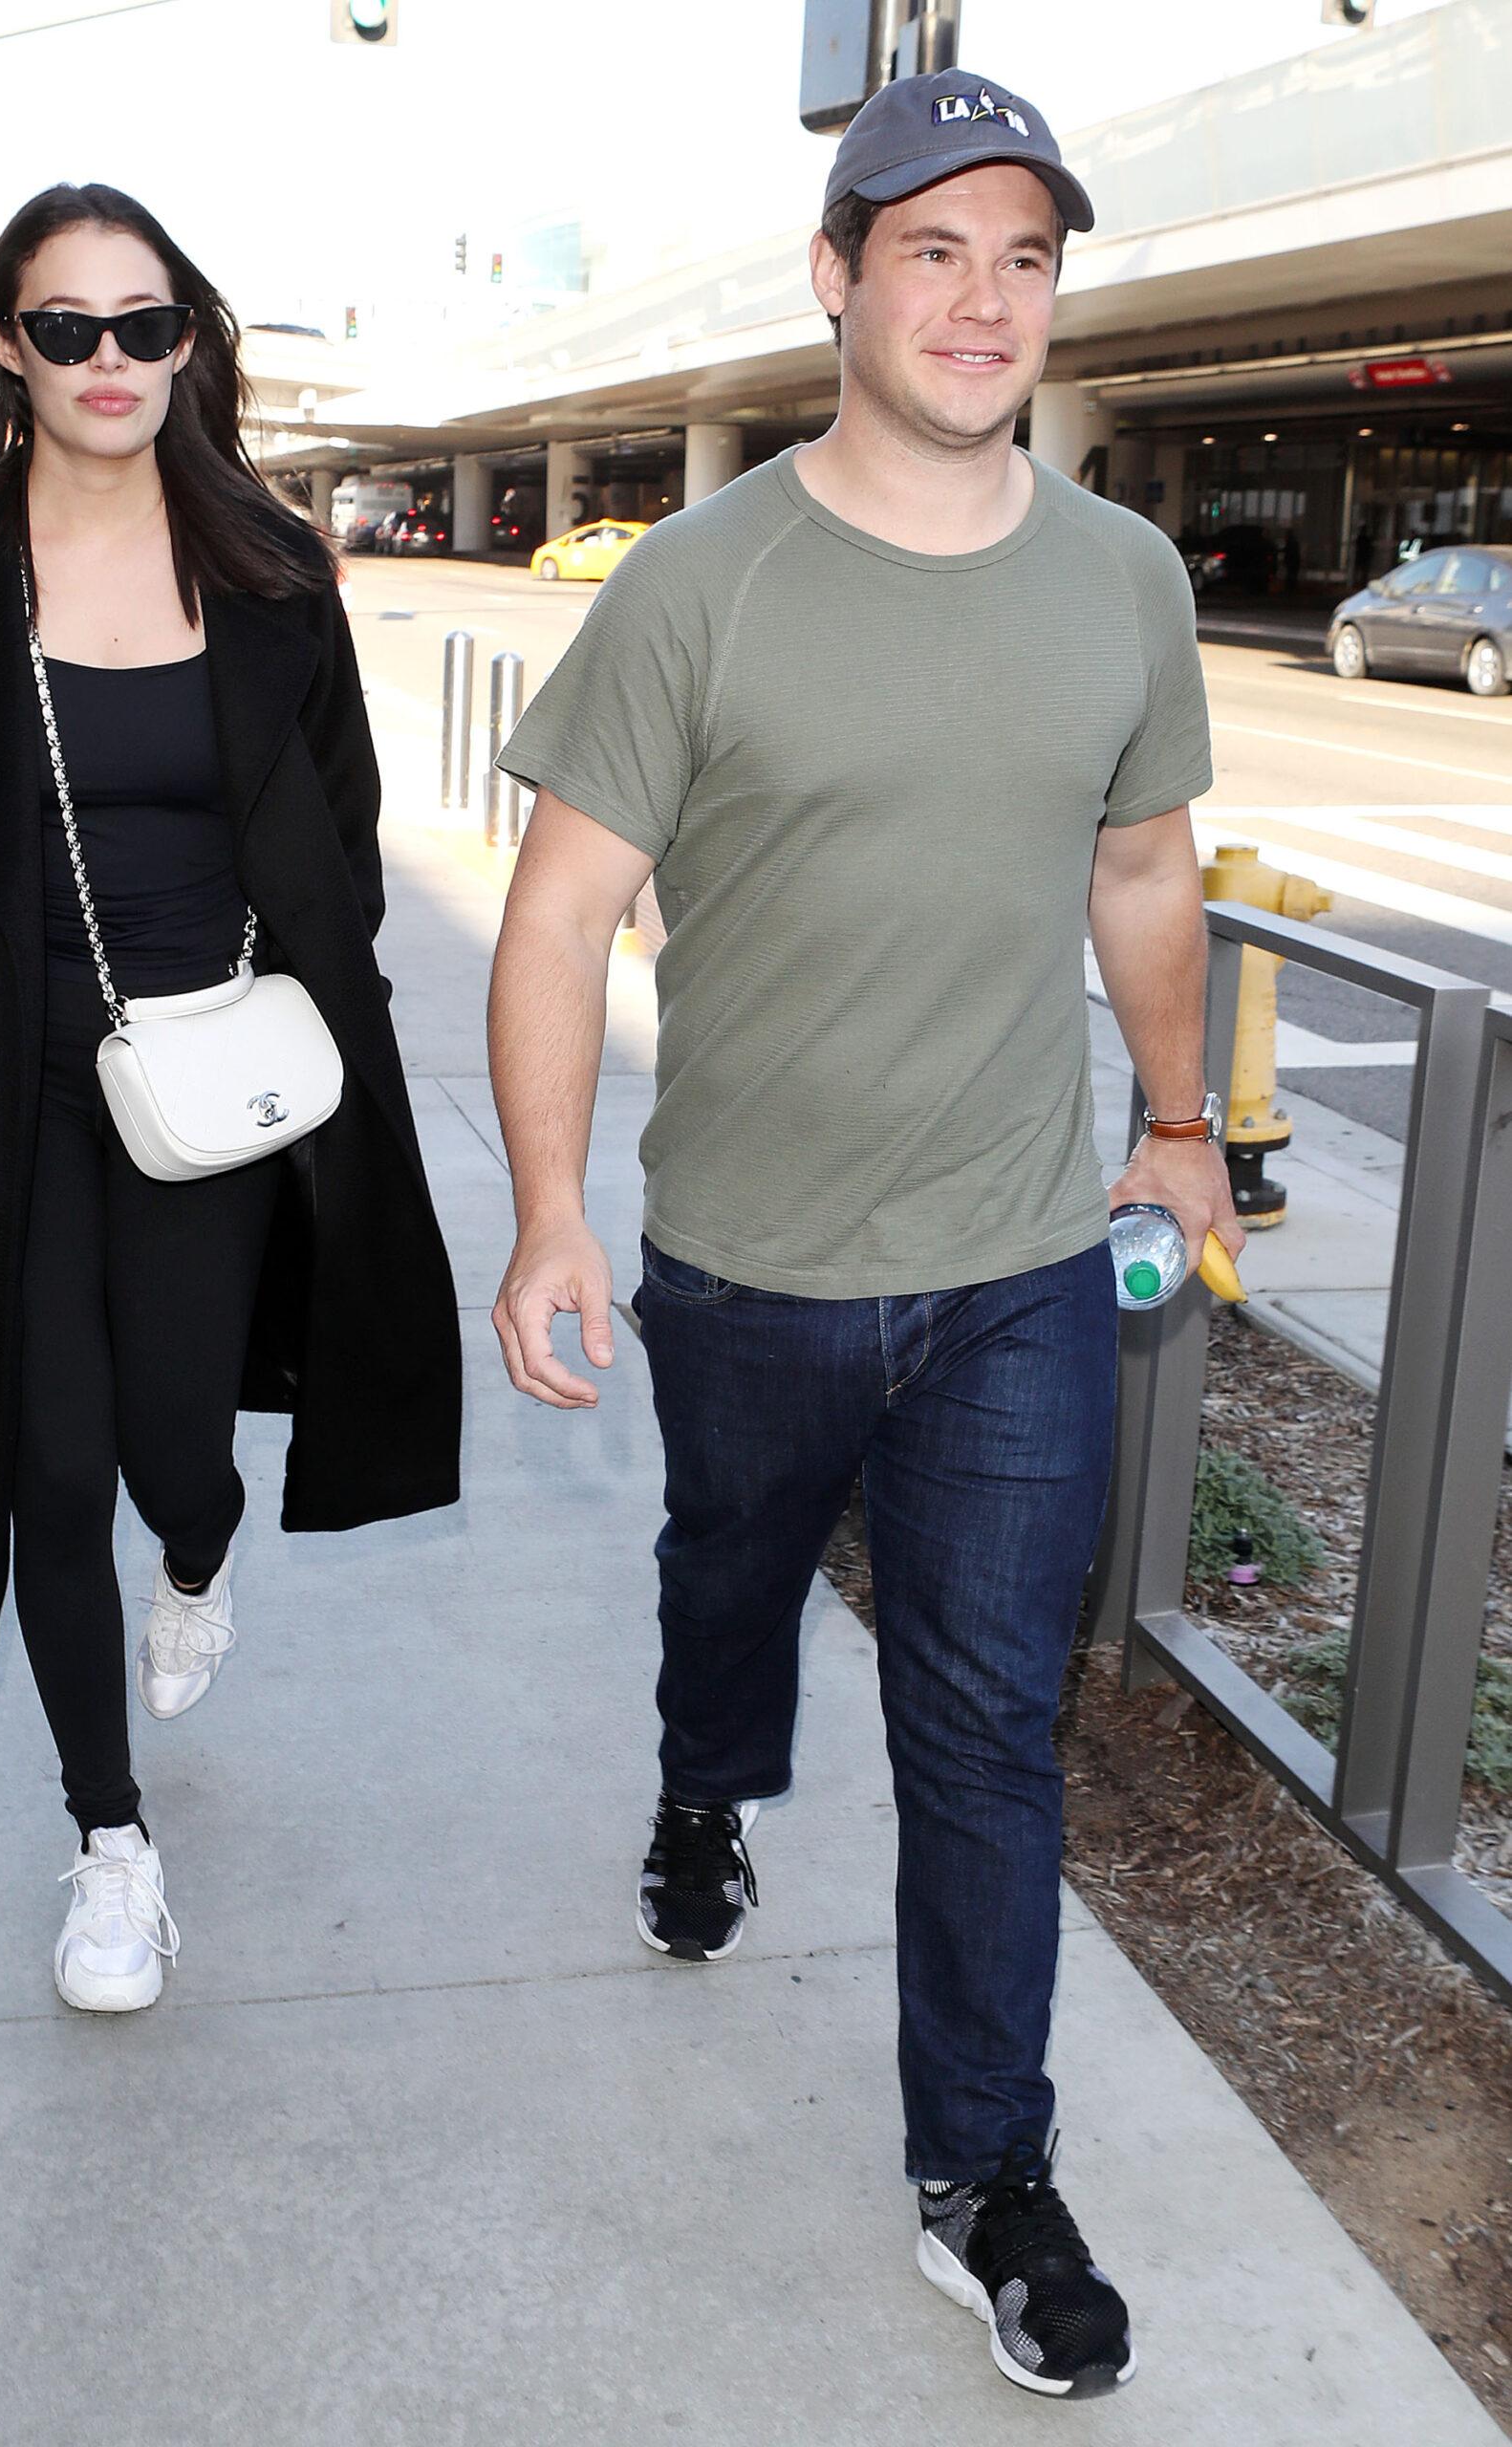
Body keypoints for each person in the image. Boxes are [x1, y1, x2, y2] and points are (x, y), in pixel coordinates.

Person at [487, 71, 1240, 2399]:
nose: (984, 297)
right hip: (748, 1267)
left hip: (1019, 1261)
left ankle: (985, 2175)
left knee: (990, 1730)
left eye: (1025, 254)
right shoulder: (702, 585)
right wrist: (542, 1213)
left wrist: (1185, 1120)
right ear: (839, 277)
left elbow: (1142, 872)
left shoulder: (1126, 574)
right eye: (933, 249)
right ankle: (704, 1782)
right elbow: (557, 917)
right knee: (730, 1592)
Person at [0, 184, 461, 2015]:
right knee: (51, 1462)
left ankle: (202, 1557)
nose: (112, 360)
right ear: (6, 350)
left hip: (209, 1085)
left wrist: (305, 1031)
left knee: (179, 1445)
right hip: (3, 1095)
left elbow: (335, 834)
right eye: (69, 326)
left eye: (146, 323)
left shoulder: (268, 572)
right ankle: (109, 1841)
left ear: (190, 343)